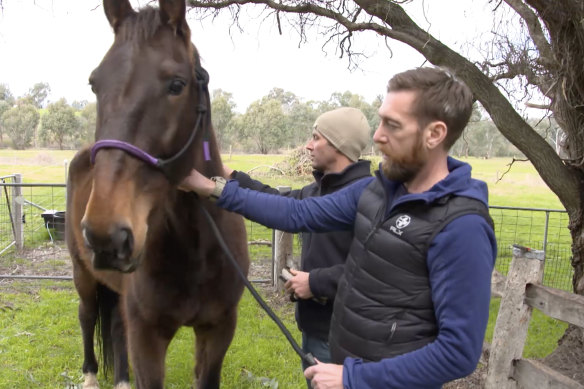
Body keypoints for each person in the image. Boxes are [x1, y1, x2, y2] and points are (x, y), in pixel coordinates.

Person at [180, 67, 497, 388]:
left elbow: (458, 351)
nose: (377, 136)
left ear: (435, 134)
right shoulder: (379, 191)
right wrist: (211, 187)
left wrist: (354, 377)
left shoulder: (462, 226)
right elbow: (298, 212)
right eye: (381, 120)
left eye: (393, 125)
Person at [224, 107, 372, 382]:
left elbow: (375, 272)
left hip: (347, 337)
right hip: (315, 328)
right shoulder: (317, 191)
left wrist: (316, 282)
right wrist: (230, 175)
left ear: (338, 145)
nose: (308, 145)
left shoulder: (367, 198)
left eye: (316, 137)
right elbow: (278, 202)